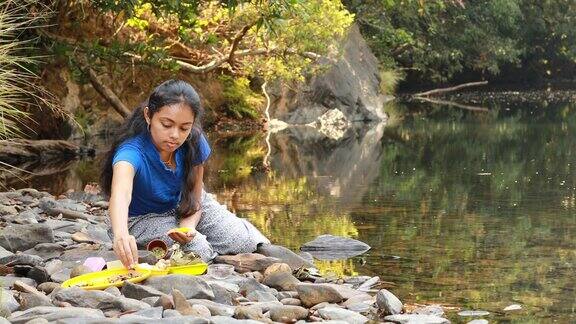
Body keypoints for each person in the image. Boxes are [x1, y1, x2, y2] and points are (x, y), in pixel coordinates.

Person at [100, 79, 269, 268]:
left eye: (184, 128)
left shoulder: (194, 142)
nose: (175, 135)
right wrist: (121, 235)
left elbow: (195, 196)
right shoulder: (130, 153)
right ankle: (204, 249)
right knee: (197, 250)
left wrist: (187, 226)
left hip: (184, 206)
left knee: (244, 241)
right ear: (148, 116)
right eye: (166, 124)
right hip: (142, 219)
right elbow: (121, 194)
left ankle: (207, 244)